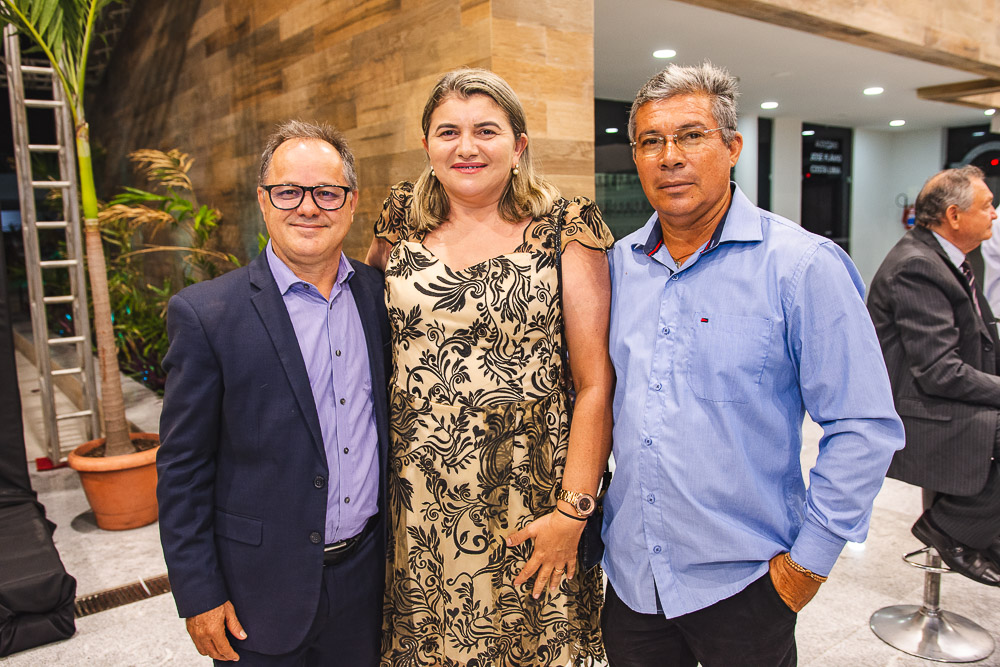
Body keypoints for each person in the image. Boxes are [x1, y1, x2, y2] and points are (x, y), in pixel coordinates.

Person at [602, 62, 905, 666]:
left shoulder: (803, 266)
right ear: (635, 157)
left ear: (733, 147)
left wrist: (806, 567)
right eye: (651, 141)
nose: (670, 157)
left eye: (691, 136)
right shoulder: (618, 266)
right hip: (633, 580)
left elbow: (863, 425)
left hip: (745, 587)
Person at [366, 68, 614, 666]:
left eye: (486, 130)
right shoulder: (400, 217)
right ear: (427, 144)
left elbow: (595, 384)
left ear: (518, 144)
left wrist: (573, 511)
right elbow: (366, 326)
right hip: (418, 495)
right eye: (448, 131)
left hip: (530, 492)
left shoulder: (565, 225)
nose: (466, 147)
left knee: (531, 641)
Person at [157, 120, 391, 665]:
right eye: (288, 192)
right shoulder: (207, 314)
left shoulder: (380, 297)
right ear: (263, 202)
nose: (308, 207)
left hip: (367, 581)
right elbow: (183, 468)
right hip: (257, 591)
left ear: (351, 202)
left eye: (327, 192)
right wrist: (199, 593)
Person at [867, 165, 1000, 585]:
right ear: (954, 216)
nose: (995, 213)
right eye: (987, 205)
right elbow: (940, 373)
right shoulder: (918, 266)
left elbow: (981, 341)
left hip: (937, 400)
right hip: (917, 414)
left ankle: (981, 530)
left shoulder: (946, 260)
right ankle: (951, 527)